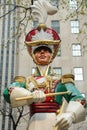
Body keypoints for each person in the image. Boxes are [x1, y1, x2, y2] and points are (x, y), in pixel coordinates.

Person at [3, 0, 86, 130]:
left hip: (56, 123)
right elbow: (8, 92)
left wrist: (70, 115)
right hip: (34, 124)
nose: (42, 52)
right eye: (38, 50)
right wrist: (29, 95)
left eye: (46, 50)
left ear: (51, 55)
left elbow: (79, 99)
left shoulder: (61, 81)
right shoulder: (25, 81)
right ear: (33, 55)